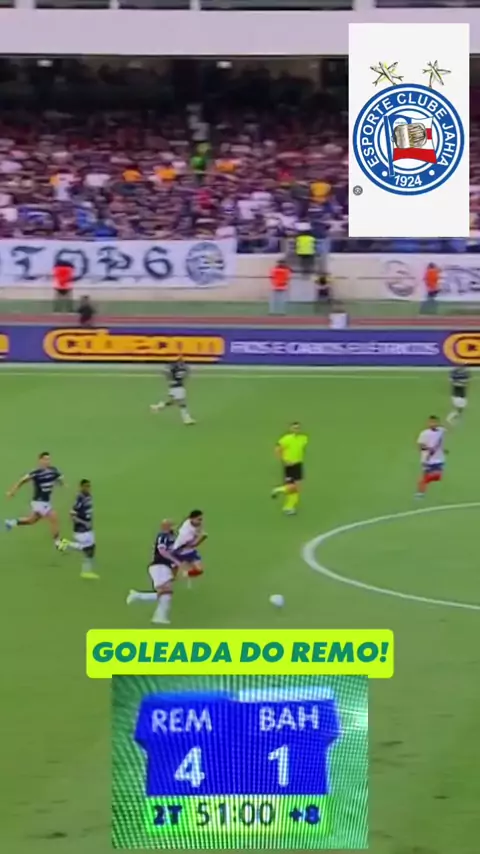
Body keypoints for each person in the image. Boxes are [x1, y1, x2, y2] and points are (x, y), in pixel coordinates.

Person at [5, 451, 64, 549]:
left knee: (31, 520)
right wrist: (12, 492)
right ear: (40, 460)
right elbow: (22, 481)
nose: (47, 461)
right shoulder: (36, 473)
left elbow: (59, 479)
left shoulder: (53, 470)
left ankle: (11, 522)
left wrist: (61, 482)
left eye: (48, 459)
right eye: (45, 459)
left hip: (46, 502)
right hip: (39, 502)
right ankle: (57, 542)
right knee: (54, 517)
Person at [127, 520, 179, 624]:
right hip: (159, 567)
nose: (174, 528)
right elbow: (162, 551)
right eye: (171, 526)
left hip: (165, 568)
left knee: (166, 593)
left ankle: (159, 617)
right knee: (165, 592)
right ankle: (138, 596)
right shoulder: (163, 536)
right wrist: (176, 561)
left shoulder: (172, 539)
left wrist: (175, 569)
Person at [59, 479, 99, 579]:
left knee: (91, 549)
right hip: (81, 529)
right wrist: (84, 523)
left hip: (88, 528)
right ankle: (67, 544)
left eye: (89, 486)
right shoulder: (80, 498)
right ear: (81, 487)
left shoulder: (89, 496)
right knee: (88, 548)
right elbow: (72, 514)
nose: (88, 488)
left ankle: (86, 572)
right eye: (85, 486)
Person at [271, 422, 308, 515]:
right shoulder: (286, 439)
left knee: (297, 488)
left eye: (298, 428)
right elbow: (277, 449)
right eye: (294, 428)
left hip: (298, 464)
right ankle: (278, 490)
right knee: (293, 487)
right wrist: (284, 460)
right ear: (290, 429)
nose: (296, 429)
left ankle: (289, 507)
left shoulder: (303, 438)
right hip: (290, 465)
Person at [150, 356, 195, 425]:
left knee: (173, 402)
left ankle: (158, 407)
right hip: (178, 387)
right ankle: (186, 419)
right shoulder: (184, 368)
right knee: (182, 403)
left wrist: (169, 378)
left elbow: (166, 373)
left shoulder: (174, 367)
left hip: (175, 386)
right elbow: (186, 375)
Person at [416, 415, 446, 498]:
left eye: (435, 422)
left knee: (438, 476)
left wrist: (458, 412)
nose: (433, 424)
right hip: (427, 459)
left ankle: (425, 481)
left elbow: (450, 426)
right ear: (428, 423)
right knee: (425, 476)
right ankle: (420, 493)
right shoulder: (424, 433)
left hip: (439, 459)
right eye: (431, 422)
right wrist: (428, 449)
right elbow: (420, 446)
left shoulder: (441, 431)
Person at [172, 510, 206, 579]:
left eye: (201, 519)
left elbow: (187, 518)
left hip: (190, 551)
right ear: (192, 519)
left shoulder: (188, 521)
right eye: (199, 519)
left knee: (199, 570)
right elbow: (194, 544)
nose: (200, 522)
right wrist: (203, 538)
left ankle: (186, 574)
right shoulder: (187, 534)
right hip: (178, 551)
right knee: (173, 574)